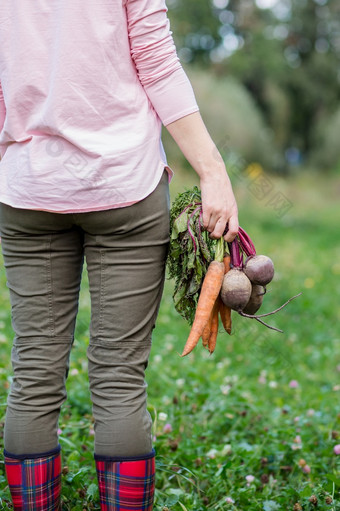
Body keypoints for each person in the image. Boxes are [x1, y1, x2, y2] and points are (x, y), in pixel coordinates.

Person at [0, 0, 239, 509]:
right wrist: (213, 170)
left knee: (34, 375)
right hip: (124, 186)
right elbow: (155, 59)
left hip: (27, 188)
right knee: (118, 376)